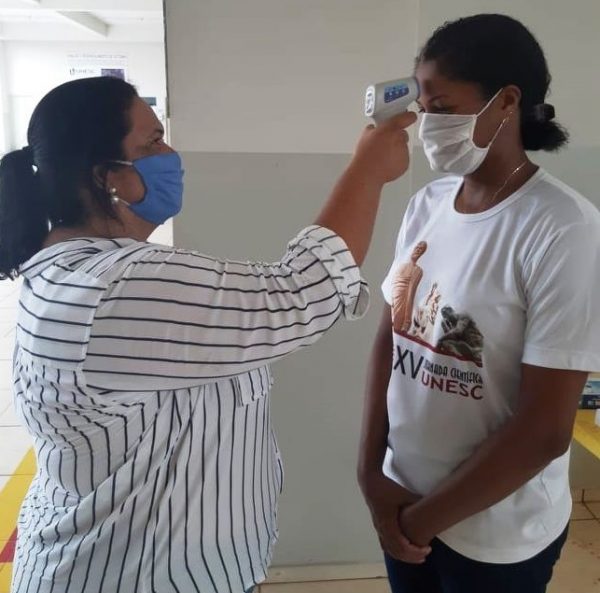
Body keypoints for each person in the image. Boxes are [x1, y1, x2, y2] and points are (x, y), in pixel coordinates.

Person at [0, 76, 416, 593]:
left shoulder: (85, 274)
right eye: (153, 141)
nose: (171, 154)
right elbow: (300, 293)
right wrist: (368, 171)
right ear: (108, 177)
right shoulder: (112, 289)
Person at [358, 13, 600, 593]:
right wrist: (371, 473)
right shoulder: (428, 204)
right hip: (402, 499)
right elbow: (392, 335)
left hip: (496, 535)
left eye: (443, 108)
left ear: (506, 102)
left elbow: (545, 430)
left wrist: (421, 523)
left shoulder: (564, 228)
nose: (428, 125)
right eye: (424, 108)